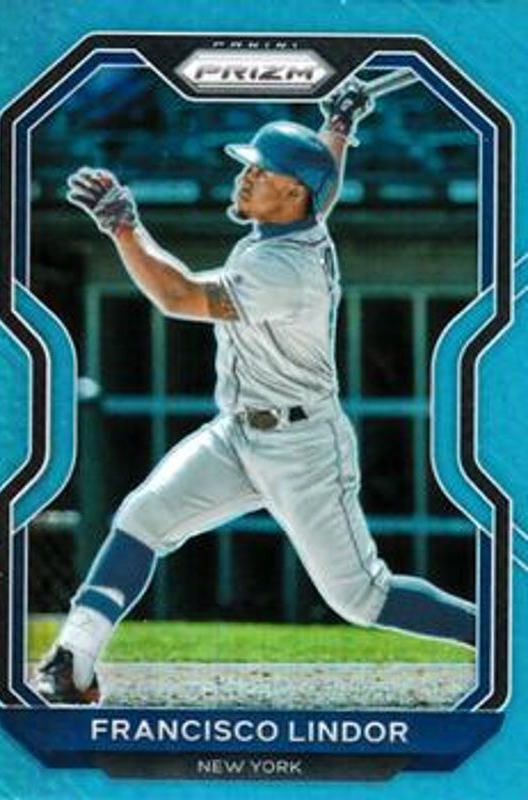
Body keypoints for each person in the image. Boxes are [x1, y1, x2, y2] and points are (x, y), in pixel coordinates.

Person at [36, 82, 475, 705]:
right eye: (250, 166)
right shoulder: (300, 219)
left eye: (261, 172)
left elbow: (178, 296)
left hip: (303, 447)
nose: (245, 177)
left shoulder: (284, 269)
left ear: (291, 194)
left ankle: (500, 634)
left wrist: (124, 228)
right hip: (237, 432)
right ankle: (72, 661)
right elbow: (322, 185)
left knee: (360, 597)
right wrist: (339, 126)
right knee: (142, 517)